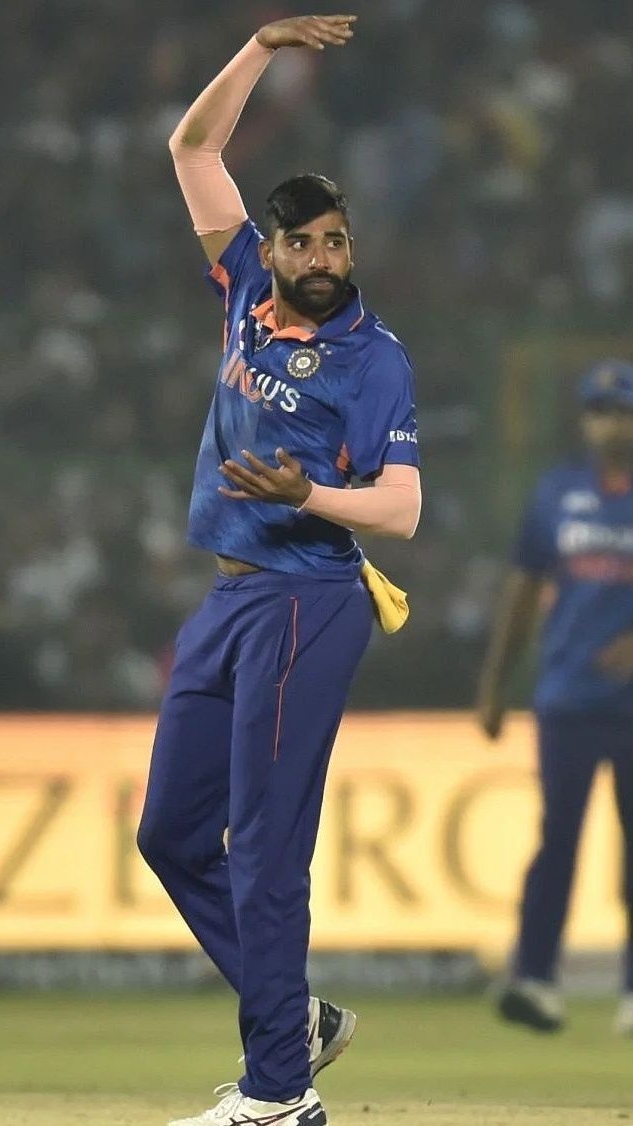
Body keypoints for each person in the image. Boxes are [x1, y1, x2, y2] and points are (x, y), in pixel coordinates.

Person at [137, 15, 424, 1126]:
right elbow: (192, 151)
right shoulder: (242, 280)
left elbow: (400, 508)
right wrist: (259, 47)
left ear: (351, 251)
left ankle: (278, 1096)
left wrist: (305, 495)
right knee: (170, 833)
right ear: (275, 243)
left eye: (337, 244)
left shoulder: (372, 361)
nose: (321, 259)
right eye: (304, 242)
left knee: (262, 848)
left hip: (310, 598)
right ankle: (292, 1014)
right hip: (231, 595)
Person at [476, 360, 633, 1038]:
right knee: (556, 841)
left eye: (620, 410)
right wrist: (493, 684)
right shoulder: (557, 491)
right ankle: (535, 980)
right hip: (567, 696)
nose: (609, 423)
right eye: (598, 410)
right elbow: (520, 590)